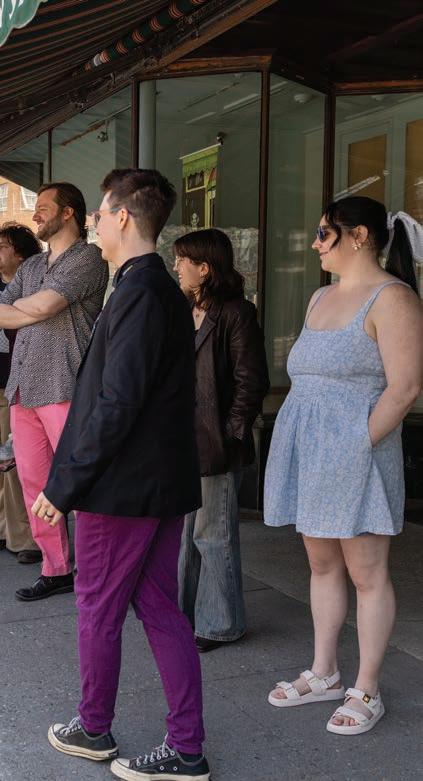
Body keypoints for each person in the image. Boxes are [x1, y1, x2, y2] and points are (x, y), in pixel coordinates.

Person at [32, 168, 210, 781]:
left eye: (101, 214)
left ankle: (94, 728)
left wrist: (64, 485)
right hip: (154, 484)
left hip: (123, 489)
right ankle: (185, 747)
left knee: (98, 608)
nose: (95, 224)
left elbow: (117, 402)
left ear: (123, 217)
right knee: (158, 607)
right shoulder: (152, 287)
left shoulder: (141, 290)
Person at [264, 196, 423, 735]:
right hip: (311, 455)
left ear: (358, 236)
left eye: (323, 233)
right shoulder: (319, 297)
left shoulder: (393, 298)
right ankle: (324, 672)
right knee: (322, 565)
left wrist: (356, 444)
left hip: (359, 456)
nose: (315, 244)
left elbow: (405, 388)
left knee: (367, 573)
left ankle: (367, 688)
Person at [0, 183, 108, 601]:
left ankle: (97, 569)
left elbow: (43, 307)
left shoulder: (88, 258)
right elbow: (9, 311)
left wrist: (26, 310)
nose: (35, 214)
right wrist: (27, 310)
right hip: (23, 387)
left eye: (44, 207)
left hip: (64, 384)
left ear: (68, 213)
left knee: (79, 485)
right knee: (34, 485)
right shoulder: (31, 266)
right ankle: (56, 567)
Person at [174, 228, 269, 652]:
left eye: (183, 259)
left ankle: (220, 624)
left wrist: (231, 434)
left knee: (213, 535)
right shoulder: (182, 308)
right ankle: (185, 616)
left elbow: (252, 382)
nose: (176, 266)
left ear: (205, 268)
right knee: (185, 534)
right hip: (181, 440)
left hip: (216, 442)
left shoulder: (236, 313)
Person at [0, 223, 42, 563]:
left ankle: (26, 538)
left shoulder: (33, 289)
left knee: (15, 465)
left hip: (14, 386)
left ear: (20, 254)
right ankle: (5, 529)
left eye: (3, 246)